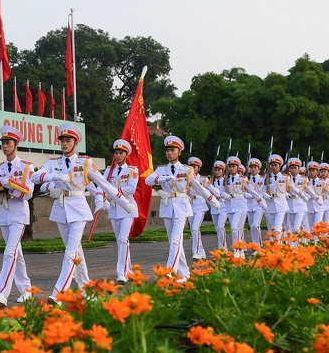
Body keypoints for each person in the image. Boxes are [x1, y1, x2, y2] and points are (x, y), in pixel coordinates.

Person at [32, 123, 134, 303]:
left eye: (68, 140)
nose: (64, 143)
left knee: (70, 253)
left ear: (75, 143)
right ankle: (87, 290)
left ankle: (59, 293)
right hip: (61, 209)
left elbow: (104, 184)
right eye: (62, 140)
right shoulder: (53, 163)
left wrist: (124, 203)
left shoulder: (85, 163)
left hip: (78, 210)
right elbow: (34, 177)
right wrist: (55, 177)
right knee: (76, 253)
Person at [145, 136, 218, 279]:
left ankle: (170, 273)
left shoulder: (187, 170)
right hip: (167, 207)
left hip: (181, 207)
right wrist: (164, 178)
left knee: (175, 240)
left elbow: (199, 188)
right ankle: (184, 274)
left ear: (179, 152)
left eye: (172, 150)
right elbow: (148, 180)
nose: (169, 153)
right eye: (167, 150)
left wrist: (213, 201)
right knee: (174, 242)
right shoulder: (162, 169)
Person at [0, 125, 36, 307]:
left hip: (19, 214)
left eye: (8, 143)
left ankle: (2, 293)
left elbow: (28, 192)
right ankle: (26, 290)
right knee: (16, 253)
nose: (5, 146)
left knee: (9, 253)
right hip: (4, 213)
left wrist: (11, 187)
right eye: (3, 143)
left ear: (16, 144)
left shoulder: (26, 167)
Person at [94, 138, 140, 283]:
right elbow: (100, 185)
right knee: (121, 242)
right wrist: (99, 199)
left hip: (127, 208)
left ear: (126, 154)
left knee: (122, 239)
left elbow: (131, 189)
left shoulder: (132, 170)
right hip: (114, 209)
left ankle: (121, 273)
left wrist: (112, 191)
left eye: (121, 153)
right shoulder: (109, 171)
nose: (118, 155)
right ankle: (128, 270)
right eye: (116, 153)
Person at [264, 154, 288, 239]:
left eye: (276, 165)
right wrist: (265, 195)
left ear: (279, 166)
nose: (274, 167)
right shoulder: (267, 178)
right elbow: (263, 191)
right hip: (271, 205)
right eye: (272, 165)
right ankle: (276, 244)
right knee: (272, 229)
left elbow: (293, 188)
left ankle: (278, 245)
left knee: (277, 229)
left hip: (281, 205)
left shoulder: (284, 178)